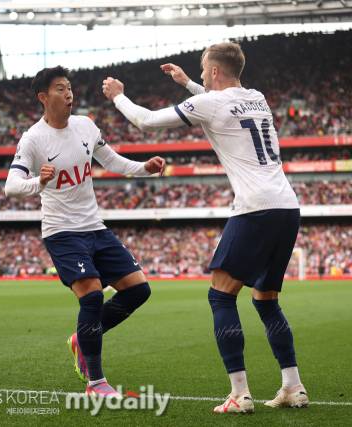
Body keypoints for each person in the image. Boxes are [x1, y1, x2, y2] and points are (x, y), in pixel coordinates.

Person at [103, 42, 308, 413]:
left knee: (221, 296)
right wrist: (186, 84)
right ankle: (293, 386)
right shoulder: (257, 98)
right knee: (266, 299)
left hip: (254, 208)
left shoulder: (212, 102)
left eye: (202, 71)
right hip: (287, 206)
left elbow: (146, 121)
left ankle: (239, 394)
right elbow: (223, 105)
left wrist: (118, 96)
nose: (200, 76)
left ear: (214, 71)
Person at [4, 66, 165, 397]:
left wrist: (144, 168)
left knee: (139, 290)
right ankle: (96, 383)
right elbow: (11, 186)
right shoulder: (33, 138)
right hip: (62, 231)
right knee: (91, 295)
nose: (68, 94)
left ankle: (83, 337)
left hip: (94, 226)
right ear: (43, 97)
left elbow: (112, 161)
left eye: (69, 88)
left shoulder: (86, 126)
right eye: (60, 89)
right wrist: (39, 182)